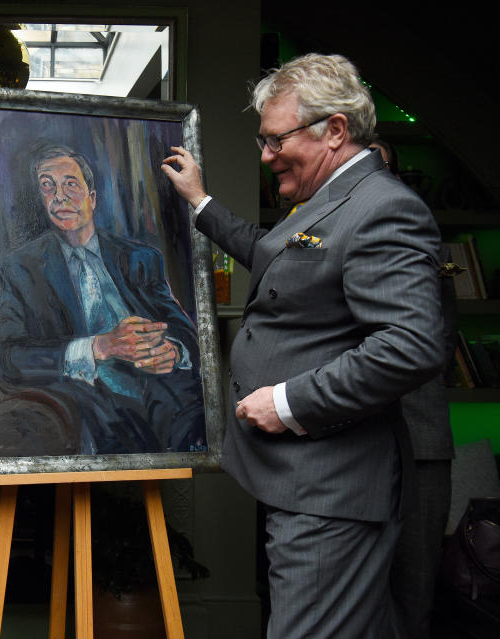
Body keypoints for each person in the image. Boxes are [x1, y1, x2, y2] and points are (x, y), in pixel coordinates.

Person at [161, 53, 443, 639]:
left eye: (274, 140)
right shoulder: (325, 203)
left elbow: (411, 345)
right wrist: (199, 202)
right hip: (301, 480)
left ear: (335, 130)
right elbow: (277, 255)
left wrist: (287, 403)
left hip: (330, 490)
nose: (266, 157)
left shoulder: (383, 207)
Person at [0, 143, 204, 455]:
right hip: (90, 400)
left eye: (70, 184)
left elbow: (187, 334)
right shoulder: (18, 270)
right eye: (48, 186)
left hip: (162, 390)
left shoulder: (141, 258)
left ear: (93, 198)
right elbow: (6, 360)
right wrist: (99, 347)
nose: (60, 196)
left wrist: (174, 351)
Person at [372, 138, 458, 639]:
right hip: (349, 446)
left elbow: (440, 336)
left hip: (421, 439)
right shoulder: (319, 233)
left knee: (415, 585)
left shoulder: (426, 238)